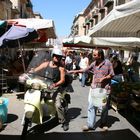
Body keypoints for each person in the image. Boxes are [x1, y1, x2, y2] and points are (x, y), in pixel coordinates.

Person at [68, 48, 114, 131]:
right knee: (91, 106)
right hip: (95, 88)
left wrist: (103, 79)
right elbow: (86, 70)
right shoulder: (94, 63)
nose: (93, 56)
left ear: (100, 55)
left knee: (103, 107)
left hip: (104, 89)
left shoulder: (108, 63)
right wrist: (75, 71)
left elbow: (112, 74)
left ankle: (103, 123)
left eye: (94, 55)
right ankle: (90, 125)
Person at [29, 48, 69, 131]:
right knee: (32, 99)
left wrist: (54, 84)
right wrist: (30, 71)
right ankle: (29, 117)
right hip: (43, 86)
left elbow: (62, 80)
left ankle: (63, 121)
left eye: (59, 57)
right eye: (56, 56)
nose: (57, 58)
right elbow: (36, 69)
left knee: (58, 105)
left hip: (54, 89)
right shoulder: (46, 64)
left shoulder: (61, 68)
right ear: (52, 56)